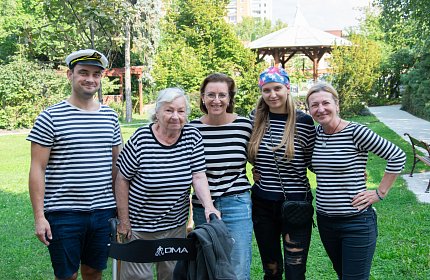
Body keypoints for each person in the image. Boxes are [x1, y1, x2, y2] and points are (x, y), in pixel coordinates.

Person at [27, 49, 122, 280]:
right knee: (67, 275)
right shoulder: (50, 117)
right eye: (83, 73)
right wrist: (40, 217)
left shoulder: (110, 117)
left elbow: (116, 165)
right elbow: (37, 168)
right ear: (70, 75)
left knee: (94, 271)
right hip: (63, 213)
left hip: (102, 212)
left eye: (96, 74)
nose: (90, 79)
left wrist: (120, 209)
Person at [114, 87, 220, 280]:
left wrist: (209, 206)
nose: (175, 116)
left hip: (174, 227)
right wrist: (124, 221)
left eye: (181, 111)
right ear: (157, 112)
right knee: (138, 278)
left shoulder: (192, 137)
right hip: (139, 227)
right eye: (169, 110)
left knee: (173, 275)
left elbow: (198, 175)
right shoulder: (141, 139)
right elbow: (122, 179)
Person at [305, 82, 406, 280]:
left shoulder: (356, 132)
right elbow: (314, 166)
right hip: (326, 220)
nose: (320, 109)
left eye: (326, 103)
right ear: (309, 110)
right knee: (343, 275)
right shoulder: (316, 135)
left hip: (356, 222)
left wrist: (380, 192)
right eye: (314, 105)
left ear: (337, 105)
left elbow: (397, 155)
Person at [248, 66, 316, 280]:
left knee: (295, 270)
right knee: (272, 268)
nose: (272, 94)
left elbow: (315, 161)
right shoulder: (254, 119)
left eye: (277, 88)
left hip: (296, 205)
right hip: (262, 204)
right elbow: (244, 151)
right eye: (266, 90)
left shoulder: (304, 122)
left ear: (287, 88)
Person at [189, 73, 253, 280]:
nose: (216, 100)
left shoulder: (244, 126)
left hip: (237, 202)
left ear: (230, 98)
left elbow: (258, 159)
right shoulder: (191, 129)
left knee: (237, 262)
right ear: (202, 97)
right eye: (211, 95)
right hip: (202, 205)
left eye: (222, 95)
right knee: (207, 260)